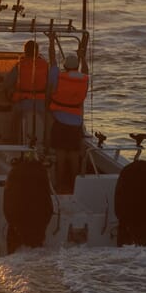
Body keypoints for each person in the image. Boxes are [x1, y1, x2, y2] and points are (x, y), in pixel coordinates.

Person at [48, 51, 89, 193]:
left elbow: (52, 63)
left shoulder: (59, 76)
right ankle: (75, 185)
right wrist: (83, 57)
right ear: (77, 66)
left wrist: (52, 42)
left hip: (60, 123)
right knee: (73, 157)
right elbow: (86, 71)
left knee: (60, 156)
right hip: (75, 125)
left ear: (64, 66)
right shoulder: (84, 79)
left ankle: (59, 185)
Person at [5, 40, 49, 143]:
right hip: (42, 103)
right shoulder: (46, 65)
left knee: (14, 119)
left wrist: (10, 92)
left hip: (23, 101)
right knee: (47, 121)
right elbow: (50, 84)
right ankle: (47, 142)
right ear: (37, 51)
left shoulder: (19, 65)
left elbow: (7, 83)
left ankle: (13, 141)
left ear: (25, 51)